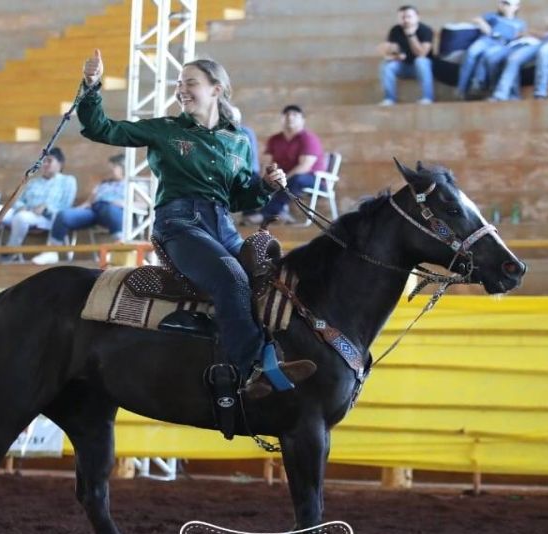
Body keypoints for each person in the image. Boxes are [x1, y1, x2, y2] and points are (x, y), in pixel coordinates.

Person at [77, 49, 316, 398]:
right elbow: (101, 128)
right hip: (179, 224)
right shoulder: (165, 130)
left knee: (270, 278)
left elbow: (239, 198)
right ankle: (255, 370)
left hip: (224, 225)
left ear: (216, 90)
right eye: (179, 84)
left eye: (191, 83)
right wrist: (90, 85)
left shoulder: (238, 140)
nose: (181, 90)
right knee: (232, 278)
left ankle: (269, 353)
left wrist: (264, 186)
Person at [0, 146, 77, 269]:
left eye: (49, 161)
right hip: (25, 212)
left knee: (22, 217)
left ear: (60, 164)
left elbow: (66, 205)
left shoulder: (68, 181)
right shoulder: (34, 182)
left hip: (46, 218)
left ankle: (10, 252)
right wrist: (21, 206)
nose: (45, 164)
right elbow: (19, 201)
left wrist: (46, 208)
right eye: (44, 161)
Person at [28, 151, 121, 266]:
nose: (111, 171)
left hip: (114, 211)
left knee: (109, 208)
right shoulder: (104, 184)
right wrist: (76, 210)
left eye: (114, 167)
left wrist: (116, 203)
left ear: (124, 168)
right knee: (63, 215)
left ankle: (120, 247)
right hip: (93, 210)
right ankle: (51, 251)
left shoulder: (133, 184)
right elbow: (89, 202)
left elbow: (141, 205)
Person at [244, 104, 326, 225]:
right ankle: (250, 215)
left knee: (295, 179)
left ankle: (265, 214)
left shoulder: (308, 139)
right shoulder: (275, 139)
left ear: (303, 120)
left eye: (295, 115)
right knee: (252, 178)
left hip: (312, 179)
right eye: (287, 114)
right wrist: (263, 177)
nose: (290, 117)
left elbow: (304, 167)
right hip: (284, 177)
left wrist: (283, 178)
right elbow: (267, 162)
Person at [456, 0, 527, 100]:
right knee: (471, 53)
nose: (504, 6)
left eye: (508, 4)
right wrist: (485, 26)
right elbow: (477, 20)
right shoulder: (492, 16)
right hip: (487, 39)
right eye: (503, 3)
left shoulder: (519, 23)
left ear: (516, 7)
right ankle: (462, 88)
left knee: (488, 56)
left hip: (502, 44)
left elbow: (519, 36)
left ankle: (480, 85)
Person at [378, 5, 435, 106]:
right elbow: (390, 50)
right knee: (387, 65)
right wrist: (395, 56)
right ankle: (389, 99)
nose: (406, 20)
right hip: (403, 66)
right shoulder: (395, 30)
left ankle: (427, 97)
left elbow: (422, 54)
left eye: (409, 16)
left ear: (417, 17)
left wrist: (411, 35)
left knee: (421, 61)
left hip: (421, 68)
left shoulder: (425, 30)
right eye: (402, 17)